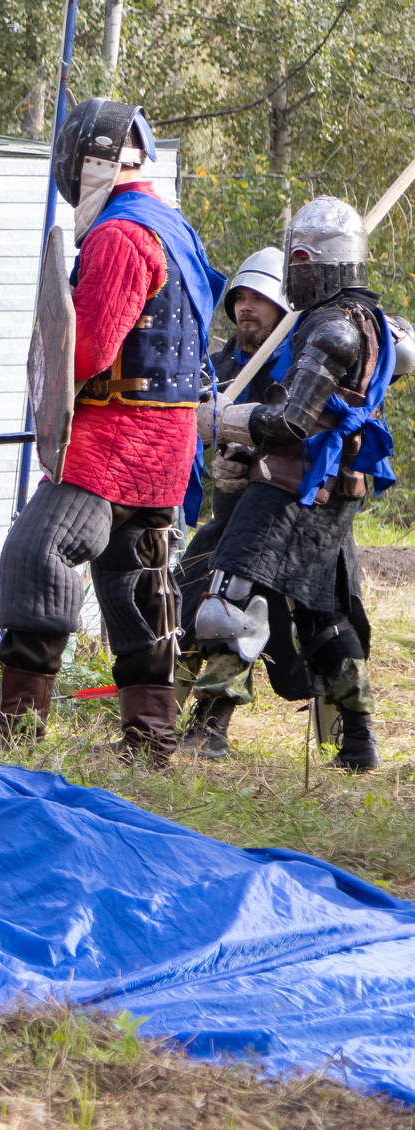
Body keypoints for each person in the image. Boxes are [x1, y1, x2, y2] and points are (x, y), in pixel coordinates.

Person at [0, 99, 224, 766]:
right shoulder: (174, 227)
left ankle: (19, 731)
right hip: (168, 444)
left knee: (37, 552)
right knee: (134, 577)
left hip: (116, 443)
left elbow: (85, 348)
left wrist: (45, 377)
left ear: (85, 164)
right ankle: (151, 739)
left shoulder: (121, 234)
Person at [188, 197, 397, 771]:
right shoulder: (365, 318)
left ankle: (208, 731)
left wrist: (221, 422)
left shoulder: (333, 328)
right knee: (321, 616)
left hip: (294, 486)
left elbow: (291, 422)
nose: (291, 276)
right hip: (325, 488)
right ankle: (358, 742)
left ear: (315, 262)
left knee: (230, 596)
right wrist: (240, 448)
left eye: (297, 262)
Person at [171, 248, 295, 758]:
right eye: (241, 297)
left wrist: (255, 456)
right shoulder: (219, 367)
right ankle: (152, 723)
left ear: (284, 307)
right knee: (180, 606)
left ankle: (211, 729)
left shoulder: (298, 369)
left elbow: (303, 431)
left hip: (280, 521)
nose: (247, 306)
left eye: (260, 298)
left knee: (236, 608)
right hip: (225, 518)